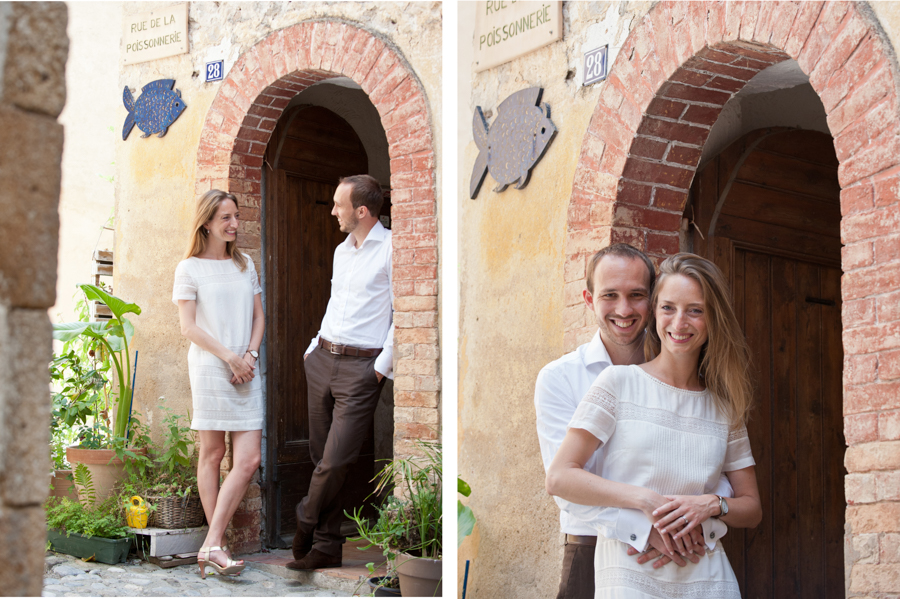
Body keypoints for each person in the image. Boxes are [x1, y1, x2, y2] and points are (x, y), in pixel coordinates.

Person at [546, 253, 762, 598]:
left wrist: (711, 504)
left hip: (708, 575)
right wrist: (644, 501)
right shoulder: (616, 383)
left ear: (713, 318)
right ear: (655, 312)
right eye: (668, 308)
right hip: (631, 570)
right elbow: (559, 477)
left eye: (695, 309)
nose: (679, 322)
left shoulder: (724, 407)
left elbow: (751, 509)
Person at [288, 174, 393, 571]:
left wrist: (379, 370)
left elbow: (404, 313)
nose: (333, 211)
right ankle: (327, 548)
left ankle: (305, 517)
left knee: (335, 460)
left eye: (339, 205)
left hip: (362, 368)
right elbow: (336, 303)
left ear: (362, 211)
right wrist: (313, 348)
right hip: (322, 359)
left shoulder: (392, 249)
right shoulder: (341, 251)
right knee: (320, 459)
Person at [173, 189, 265, 579]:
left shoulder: (246, 264)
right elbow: (189, 327)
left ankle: (210, 544)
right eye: (225, 217)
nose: (233, 224)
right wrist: (230, 356)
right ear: (207, 222)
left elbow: (259, 317)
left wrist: (250, 357)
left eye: (236, 216)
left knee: (248, 460)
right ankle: (218, 546)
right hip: (212, 368)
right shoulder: (188, 268)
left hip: (247, 366)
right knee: (212, 454)